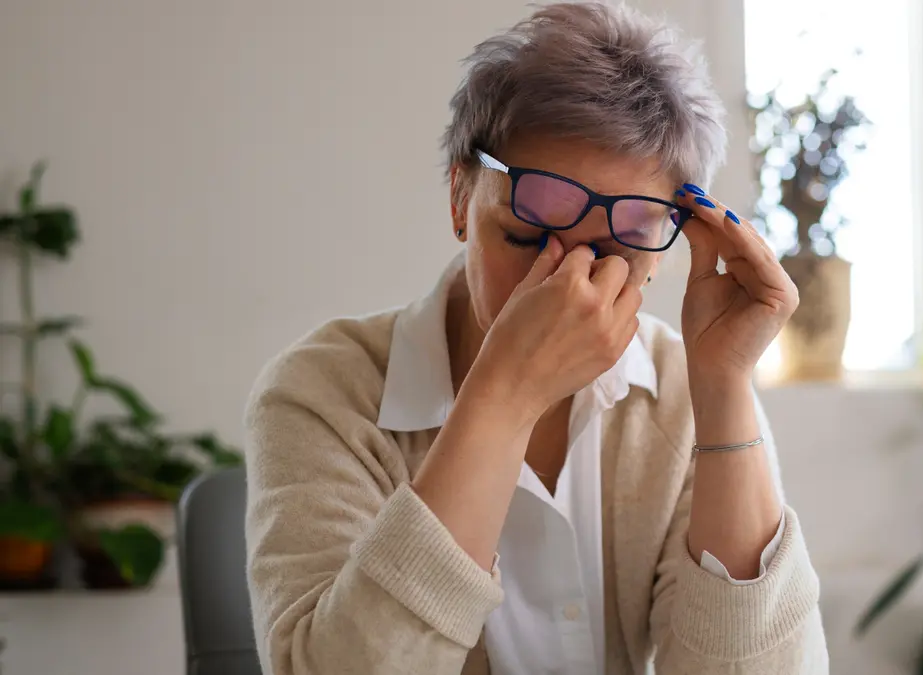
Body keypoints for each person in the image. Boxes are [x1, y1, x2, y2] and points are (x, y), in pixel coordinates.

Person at [243, 3, 828, 674]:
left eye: (616, 246)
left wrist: (724, 388)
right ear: (461, 199)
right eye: (527, 231)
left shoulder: (683, 391)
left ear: (664, 243)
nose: (566, 282)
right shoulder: (323, 393)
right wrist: (505, 394)